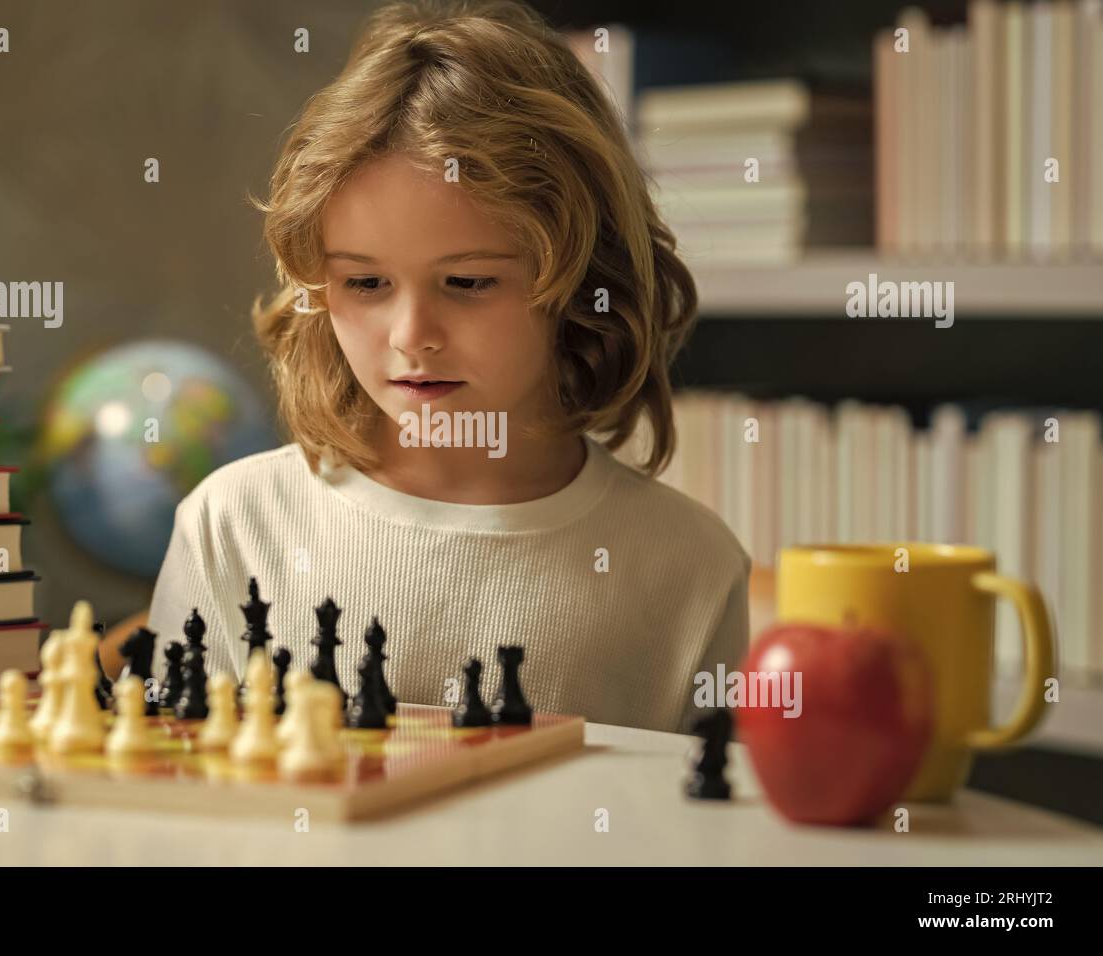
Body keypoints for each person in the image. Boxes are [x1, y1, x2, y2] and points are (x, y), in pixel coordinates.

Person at [145, 0, 750, 732]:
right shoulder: (232, 526)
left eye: (468, 283)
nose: (412, 336)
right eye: (365, 284)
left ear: (585, 280)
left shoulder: (690, 567)